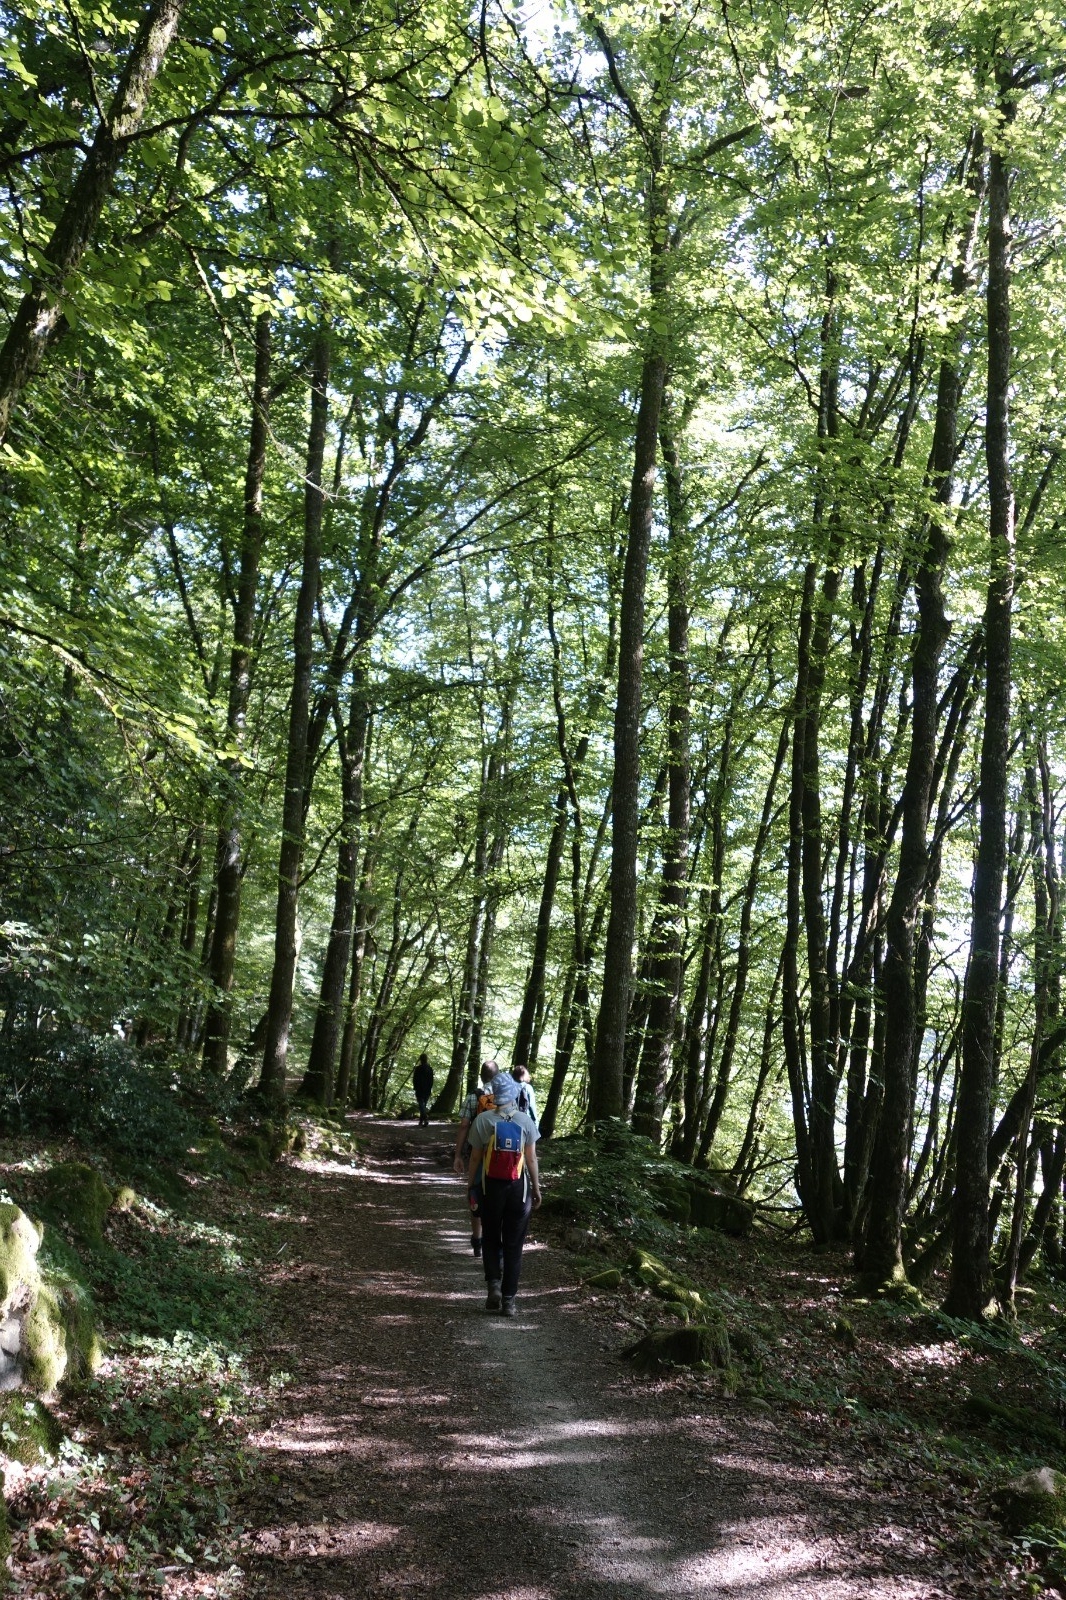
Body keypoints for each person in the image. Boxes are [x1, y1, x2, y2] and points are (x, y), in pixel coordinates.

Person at [466, 1071, 541, 1316]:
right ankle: (509, 1301)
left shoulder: (483, 1120)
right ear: (514, 1094)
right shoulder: (525, 1121)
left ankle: (494, 1286)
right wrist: (536, 1188)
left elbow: (475, 1158)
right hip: (519, 1189)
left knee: (490, 1238)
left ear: (494, 1095)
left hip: (490, 1187)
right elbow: (531, 1159)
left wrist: (470, 1186)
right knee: (513, 1244)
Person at [453, 1062, 497, 1257]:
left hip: (479, 1154)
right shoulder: (506, 1097)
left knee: (475, 1194)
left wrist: (458, 1155)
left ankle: (477, 1240)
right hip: (501, 1155)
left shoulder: (474, 1096)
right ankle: (494, 1239)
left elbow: (464, 1125)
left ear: (481, 1076)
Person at [412, 1052, 434, 1127]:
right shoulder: (430, 1069)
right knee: (423, 1105)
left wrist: (415, 1087)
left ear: (420, 1060)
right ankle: (421, 1121)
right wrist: (430, 1088)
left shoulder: (418, 1068)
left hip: (419, 1089)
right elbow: (431, 1080)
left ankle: (425, 1118)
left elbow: (415, 1079)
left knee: (421, 1104)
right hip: (427, 1089)